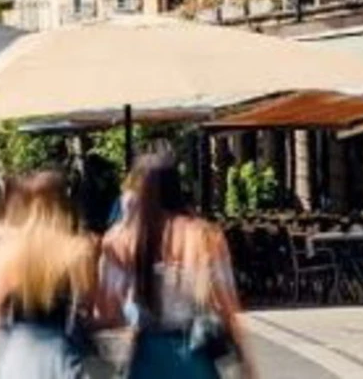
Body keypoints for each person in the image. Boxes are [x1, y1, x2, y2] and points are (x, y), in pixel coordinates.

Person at [98, 153, 257, 378]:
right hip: (194, 355)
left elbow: (107, 309)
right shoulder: (205, 236)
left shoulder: (120, 240)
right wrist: (247, 362)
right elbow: (228, 306)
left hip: (147, 356)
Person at [0, 173, 96, 379]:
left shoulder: (7, 252)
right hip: (60, 354)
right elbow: (88, 308)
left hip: (16, 354)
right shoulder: (78, 251)